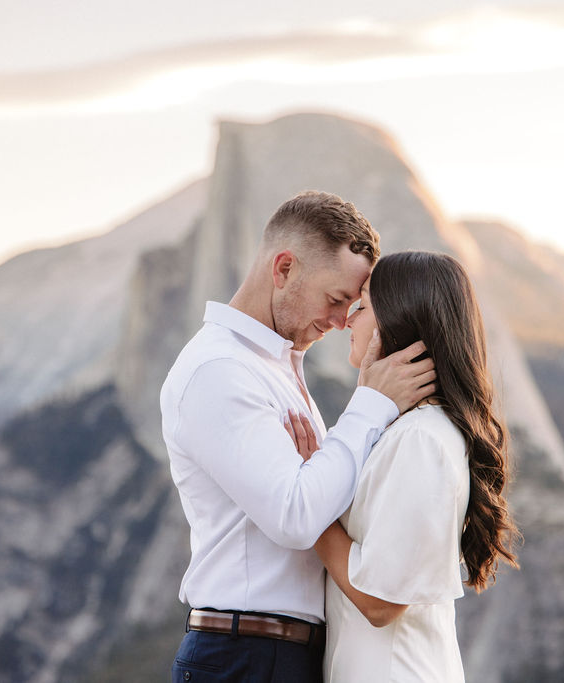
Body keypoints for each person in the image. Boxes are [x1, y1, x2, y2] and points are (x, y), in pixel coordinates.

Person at [160, 191, 437, 683]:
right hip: (244, 655)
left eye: (352, 307)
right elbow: (294, 516)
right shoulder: (220, 370)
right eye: (335, 300)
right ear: (284, 268)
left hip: (278, 654)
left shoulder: (276, 367)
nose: (339, 321)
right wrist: (371, 404)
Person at [286, 251, 522, 683]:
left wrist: (310, 507)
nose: (347, 321)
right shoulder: (405, 431)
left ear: (398, 323)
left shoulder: (421, 440)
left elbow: (381, 603)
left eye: (363, 306)